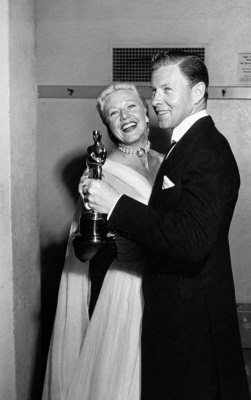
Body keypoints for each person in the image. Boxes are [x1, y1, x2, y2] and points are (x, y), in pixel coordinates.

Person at [81, 50, 250, 400]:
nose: (155, 100)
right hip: (177, 309)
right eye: (154, 91)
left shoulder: (206, 150)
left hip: (191, 316)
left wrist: (117, 206)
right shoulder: (184, 144)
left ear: (198, 91)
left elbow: (193, 240)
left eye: (166, 90)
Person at [42, 82, 164, 400]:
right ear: (107, 126)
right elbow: (86, 246)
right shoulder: (99, 173)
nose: (124, 117)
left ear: (147, 113)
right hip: (129, 289)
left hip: (171, 284)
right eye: (114, 113)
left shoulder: (169, 162)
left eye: (131, 107)